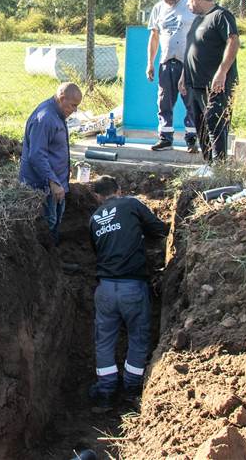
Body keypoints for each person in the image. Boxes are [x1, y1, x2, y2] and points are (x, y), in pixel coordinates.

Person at [87, 175, 168, 408]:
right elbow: (158, 229)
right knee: (138, 337)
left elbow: (96, 250)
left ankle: (105, 389)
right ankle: (132, 387)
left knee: (104, 339)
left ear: (97, 196)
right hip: (132, 287)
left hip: (104, 290)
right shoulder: (131, 204)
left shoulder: (93, 219)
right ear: (119, 190)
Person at [178, 0, 239, 163]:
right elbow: (191, 49)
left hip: (214, 85)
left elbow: (233, 41)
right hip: (194, 84)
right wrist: (183, 76)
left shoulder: (221, 16)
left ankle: (218, 168)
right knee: (201, 127)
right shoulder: (198, 20)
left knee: (215, 125)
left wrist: (221, 72)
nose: (188, 4)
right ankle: (208, 165)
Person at [20, 82, 83, 246]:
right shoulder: (45, 118)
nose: (75, 110)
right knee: (48, 224)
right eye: (73, 105)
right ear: (62, 98)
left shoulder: (58, 115)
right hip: (43, 186)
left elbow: (54, 148)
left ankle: (55, 259)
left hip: (57, 183)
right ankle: (48, 262)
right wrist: (53, 182)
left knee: (55, 222)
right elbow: (36, 155)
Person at [146, 0, 197, 153]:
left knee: (191, 101)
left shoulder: (190, 6)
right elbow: (154, 37)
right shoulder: (158, 9)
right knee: (164, 102)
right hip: (167, 62)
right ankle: (165, 138)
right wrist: (150, 63)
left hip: (188, 63)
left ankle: (192, 139)